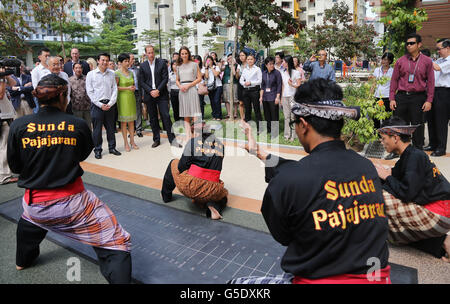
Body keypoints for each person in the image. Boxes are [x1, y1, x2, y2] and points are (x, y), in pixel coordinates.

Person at [230, 79, 390, 284]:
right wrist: (259, 152)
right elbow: (308, 172)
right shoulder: (366, 168)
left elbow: (284, 236)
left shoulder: (287, 184)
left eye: (294, 123)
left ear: (303, 125)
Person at [7, 74, 132, 283]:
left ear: (38, 97)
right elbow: (81, 154)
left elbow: (16, 166)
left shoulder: (19, 126)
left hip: (35, 205)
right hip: (73, 204)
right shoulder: (77, 124)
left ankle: (23, 260)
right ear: (63, 96)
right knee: (116, 240)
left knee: (28, 221)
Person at [375, 116, 450, 262]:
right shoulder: (409, 155)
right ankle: (442, 244)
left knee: (377, 197)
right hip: (438, 212)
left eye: (384, 138)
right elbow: (393, 178)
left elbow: (406, 193)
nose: (382, 142)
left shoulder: (414, 157)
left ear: (395, 138)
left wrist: (386, 175)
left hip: (440, 213)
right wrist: (385, 174)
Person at [161, 120, 228, 220]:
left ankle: (166, 196)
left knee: (174, 163)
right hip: (212, 187)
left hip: (192, 185)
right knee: (223, 194)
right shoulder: (221, 145)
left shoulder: (193, 142)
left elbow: (181, 167)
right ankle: (213, 206)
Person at [389, 33, 435, 150]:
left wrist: (429, 100)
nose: (408, 46)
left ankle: (418, 151)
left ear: (419, 44)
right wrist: (392, 98)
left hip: (418, 97)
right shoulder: (400, 61)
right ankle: (397, 150)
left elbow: (431, 82)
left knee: (417, 125)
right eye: (407, 43)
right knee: (399, 125)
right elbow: (394, 80)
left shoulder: (427, 61)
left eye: (412, 43)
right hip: (402, 97)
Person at [139, 45, 180, 148]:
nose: (151, 54)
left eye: (152, 52)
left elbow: (165, 78)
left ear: (154, 52)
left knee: (166, 116)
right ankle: (156, 139)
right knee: (153, 118)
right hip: (149, 95)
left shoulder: (161, 63)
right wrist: (151, 91)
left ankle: (173, 139)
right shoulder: (143, 66)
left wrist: (157, 90)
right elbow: (142, 81)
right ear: (146, 54)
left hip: (161, 94)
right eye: (149, 53)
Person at [86, 53, 121, 159]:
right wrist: (100, 105)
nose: (105, 62)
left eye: (107, 60)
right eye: (103, 60)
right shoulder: (91, 74)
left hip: (110, 105)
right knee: (97, 130)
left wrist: (110, 103)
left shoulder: (112, 73)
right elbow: (90, 92)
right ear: (98, 61)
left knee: (111, 128)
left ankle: (112, 148)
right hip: (97, 105)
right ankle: (97, 150)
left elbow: (114, 89)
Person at [425, 39, 450, 157]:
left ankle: (441, 147)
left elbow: (436, 68)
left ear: (447, 48)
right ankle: (432, 143)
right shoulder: (439, 60)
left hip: (444, 93)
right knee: (431, 118)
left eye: (439, 49)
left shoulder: (448, 61)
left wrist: (422, 57)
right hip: (433, 91)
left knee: (441, 121)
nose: (438, 51)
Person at [176, 46, 203, 141]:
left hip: (191, 90)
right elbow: (177, 80)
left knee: (195, 114)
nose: (184, 55)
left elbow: (199, 78)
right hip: (182, 91)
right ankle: (188, 136)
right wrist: (180, 86)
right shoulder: (178, 66)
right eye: (182, 53)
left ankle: (197, 136)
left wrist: (189, 85)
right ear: (180, 55)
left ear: (189, 54)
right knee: (186, 115)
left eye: (185, 53)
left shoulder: (194, 65)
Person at [372, 52, 395, 153]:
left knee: (386, 118)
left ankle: (386, 137)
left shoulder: (393, 71)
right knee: (375, 117)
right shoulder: (377, 70)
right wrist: (370, 95)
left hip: (387, 97)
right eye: (383, 59)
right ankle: (377, 136)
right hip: (377, 96)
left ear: (390, 61)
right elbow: (374, 83)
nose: (384, 61)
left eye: (386, 60)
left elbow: (394, 85)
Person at [115, 53, 138, 152]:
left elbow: (133, 84)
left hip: (131, 97)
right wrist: (127, 88)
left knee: (132, 121)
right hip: (122, 99)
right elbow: (115, 87)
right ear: (120, 62)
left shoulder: (131, 72)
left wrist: (132, 88)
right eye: (125, 61)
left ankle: (132, 141)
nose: (127, 63)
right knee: (124, 122)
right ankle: (125, 143)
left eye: (128, 61)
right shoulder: (117, 73)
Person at [0, 66, 18, 185]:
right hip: (2, 117)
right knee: (4, 146)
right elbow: (1, 94)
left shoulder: (2, 78)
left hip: (5, 115)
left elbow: (14, 83)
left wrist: (5, 75)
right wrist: (2, 79)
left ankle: (4, 173)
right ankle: (4, 176)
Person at [280, 55, 302, 142]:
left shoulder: (296, 73)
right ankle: (287, 135)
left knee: (293, 117)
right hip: (285, 96)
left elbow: (299, 85)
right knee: (286, 116)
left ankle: (293, 136)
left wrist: (292, 84)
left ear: (288, 62)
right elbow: (282, 86)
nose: (283, 63)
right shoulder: (283, 73)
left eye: (284, 62)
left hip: (293, 96)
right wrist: (281, 97)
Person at [239, 54, 262, 133]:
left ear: (254, 60)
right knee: (247, 110)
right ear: (246, 60)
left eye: (251, 59)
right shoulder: (245, 69)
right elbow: (241, 80)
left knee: (257, 109)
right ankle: (247, 128)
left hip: (254, 91)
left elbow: (259, 81)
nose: (249, 61)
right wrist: (244, 83)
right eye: (248, 59)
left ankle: (260, 128)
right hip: (246, 91)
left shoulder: (257, 69)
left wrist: (251, 82)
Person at [260, 56, 282, 137]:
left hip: (273, 96)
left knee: (274, 115)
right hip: (265, 97)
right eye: (270, 64)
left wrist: (277, 97)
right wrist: (261, 97)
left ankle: (275, 132)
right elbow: (262, 86)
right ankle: (269, 129)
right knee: (267, 114)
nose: (272, 65)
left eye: (273, 64)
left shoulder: (277, 73)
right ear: (266, 65)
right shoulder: (264, 73)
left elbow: (279, 86)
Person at [69, 62, 92, 129]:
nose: (78, 69)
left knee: (88, 127)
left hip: (87, 108)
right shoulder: (70, 80)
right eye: (76, 68)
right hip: (76, 108)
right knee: (78, 128)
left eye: (80, 68)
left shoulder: (87, 78)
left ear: (82, 69)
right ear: (73, 69)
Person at [202, 55, 223, 121]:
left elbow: (216, 74)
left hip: (218, 86)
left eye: (209, 60)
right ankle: (214, 115)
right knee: (212, 101)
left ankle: (219, 115)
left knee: (217, 101)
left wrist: (211, 67)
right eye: (207, 60)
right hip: (210, 87)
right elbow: (207, 76)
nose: (208, 62)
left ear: (212, 61)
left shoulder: (216, 67)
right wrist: (206, 68)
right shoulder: (205, 68)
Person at [31, 48, 51, 113]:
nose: (48, 58)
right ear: (40, 57)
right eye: (46, 56)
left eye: (49, 56)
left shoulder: (52, 69)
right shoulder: (36, 71)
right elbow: (36, 87)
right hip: (41, 100)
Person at [128, 53, 143, 138]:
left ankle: (139, 129)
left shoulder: (137, 70)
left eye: (134, 59)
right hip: (129, 93)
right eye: (132, 59)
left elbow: (140, 82)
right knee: (130, 112)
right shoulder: (125, 70)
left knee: (138, 111)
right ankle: (131, 130)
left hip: (137, 92)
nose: (133, 60)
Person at [222, 54, 239, 120]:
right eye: (228, 58)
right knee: (226, 99)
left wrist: (233, 66)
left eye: (231, 58)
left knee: (235, 99)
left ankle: (235, 113)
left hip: (234, 83)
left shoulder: (237, 65)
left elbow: (235, 74)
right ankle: (229, 113)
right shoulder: (225, 66)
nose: (230, 60)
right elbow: (220, 69)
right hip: (226, 83)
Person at [235, 51, 247, 121]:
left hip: (248, 85)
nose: (241, 57)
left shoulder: (249, 65)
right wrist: (237, 72)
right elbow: (237, 77)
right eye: (240, 55)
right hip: (240, 85)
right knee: (241, 102)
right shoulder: (239, 65)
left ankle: (247, 116)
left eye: (243, 55)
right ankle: (242, 118)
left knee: (247, 102)